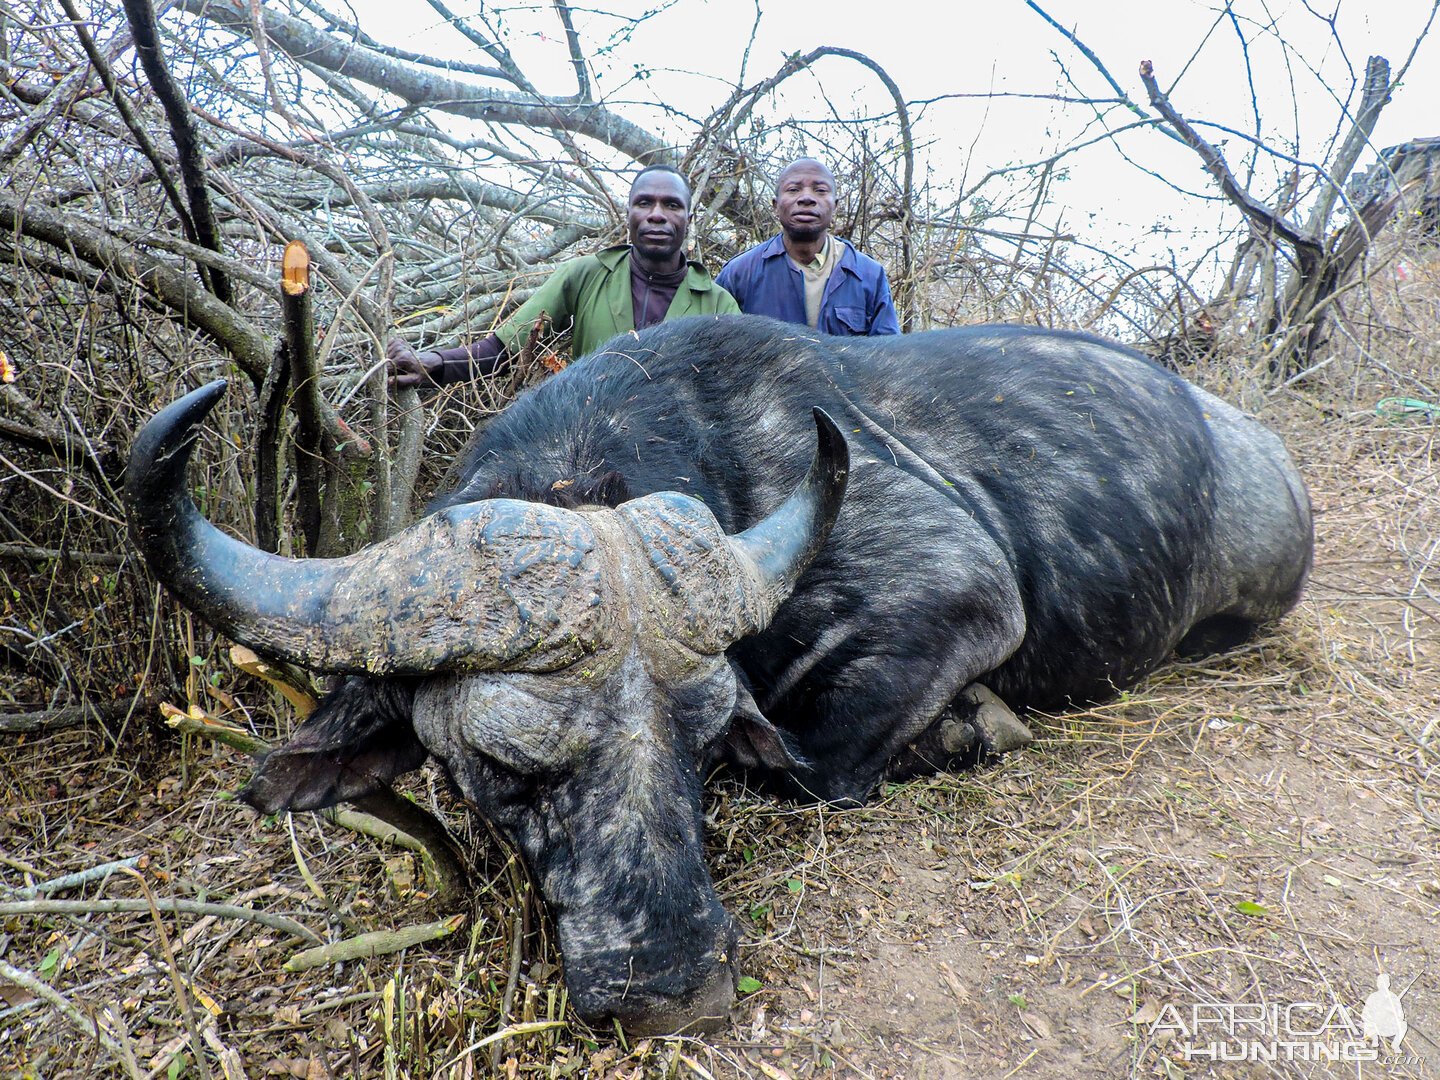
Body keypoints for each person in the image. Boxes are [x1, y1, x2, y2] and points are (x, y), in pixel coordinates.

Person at [388, 165, 739, 388]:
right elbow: (503, 350)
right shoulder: (585, 274)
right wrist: (434, 364)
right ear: (629, 214)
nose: (657, 215)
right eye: (644, 203)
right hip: (591, 441)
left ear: (688, 219)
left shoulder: (718, 302)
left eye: (672, 205)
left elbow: (734, 392)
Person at [716, 157, 900, 336]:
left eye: (820, 190)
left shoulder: (868, 275)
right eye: (793, 189)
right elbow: (713, 350)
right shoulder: (739, 274)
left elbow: (889, 356)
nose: (806, 198)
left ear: (834, 206)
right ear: (775, 205)